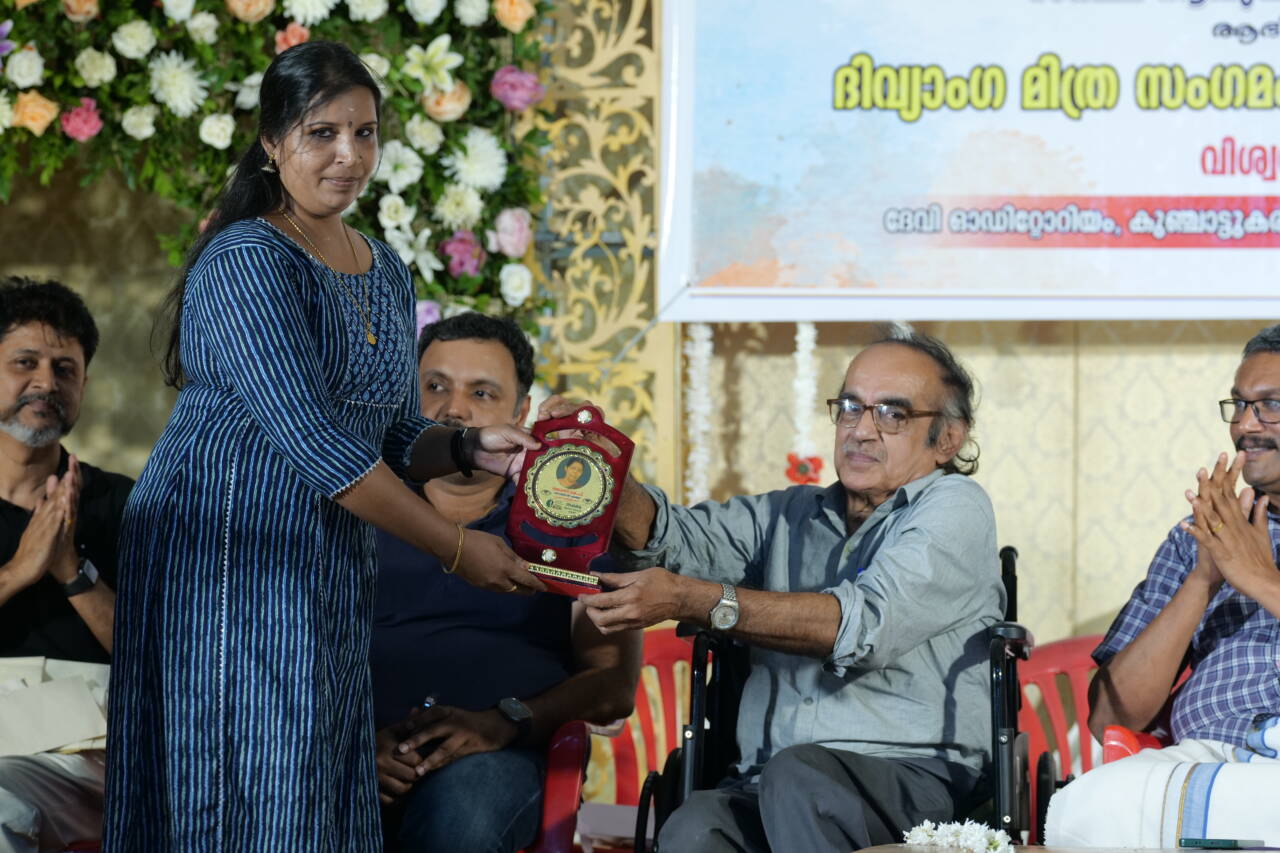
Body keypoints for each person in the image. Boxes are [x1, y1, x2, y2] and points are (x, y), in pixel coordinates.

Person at [103, 43, 545, 853]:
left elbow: (387, 432)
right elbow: (317, 444)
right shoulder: (246, 259)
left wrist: (468, 447)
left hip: (322, 560)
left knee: (309, 787)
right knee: (240, 785)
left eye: (365, 133)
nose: (349, 155)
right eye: (322, 133)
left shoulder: (385, 268)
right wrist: (456, 548)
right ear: (272, 142)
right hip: (225, 557)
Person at [549, 330, 1005, 852]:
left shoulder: (955, 506)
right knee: (695, 827)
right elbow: (672, 540)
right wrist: (604, 467)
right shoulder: (787, 515)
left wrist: (691, 599)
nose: (861, 431)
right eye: (850, 407)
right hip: (767, 780)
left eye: (892, 414)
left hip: (914, 780)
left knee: (799, 779)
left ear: (948, 439)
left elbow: (860, 626)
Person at [368, 312, 641, 852]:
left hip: (499, 757)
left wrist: (504, 721)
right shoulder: (362, 506)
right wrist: (349, 746)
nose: (454, 409)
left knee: (461, 814)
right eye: (435, 386)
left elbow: (612, 683)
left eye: (482, 393)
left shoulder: (569, 517)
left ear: (520, 413)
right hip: (359, 753)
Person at [1045, 325, 1280, 846]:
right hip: (1214, 760)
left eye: (1271, 406)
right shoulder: (1199, 537)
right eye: (1240, 405)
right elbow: (1113, 716)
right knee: (1084, 806)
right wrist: (1203, 578)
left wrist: (1259, 579)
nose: (1246, 425)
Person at [0, 277, 131, 853]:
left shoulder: (125, 505)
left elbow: (161, 655)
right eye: (24, 362)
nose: (46, 383)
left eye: (65, 369)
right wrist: (18, 570)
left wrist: (72, 572)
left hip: (87, 754)